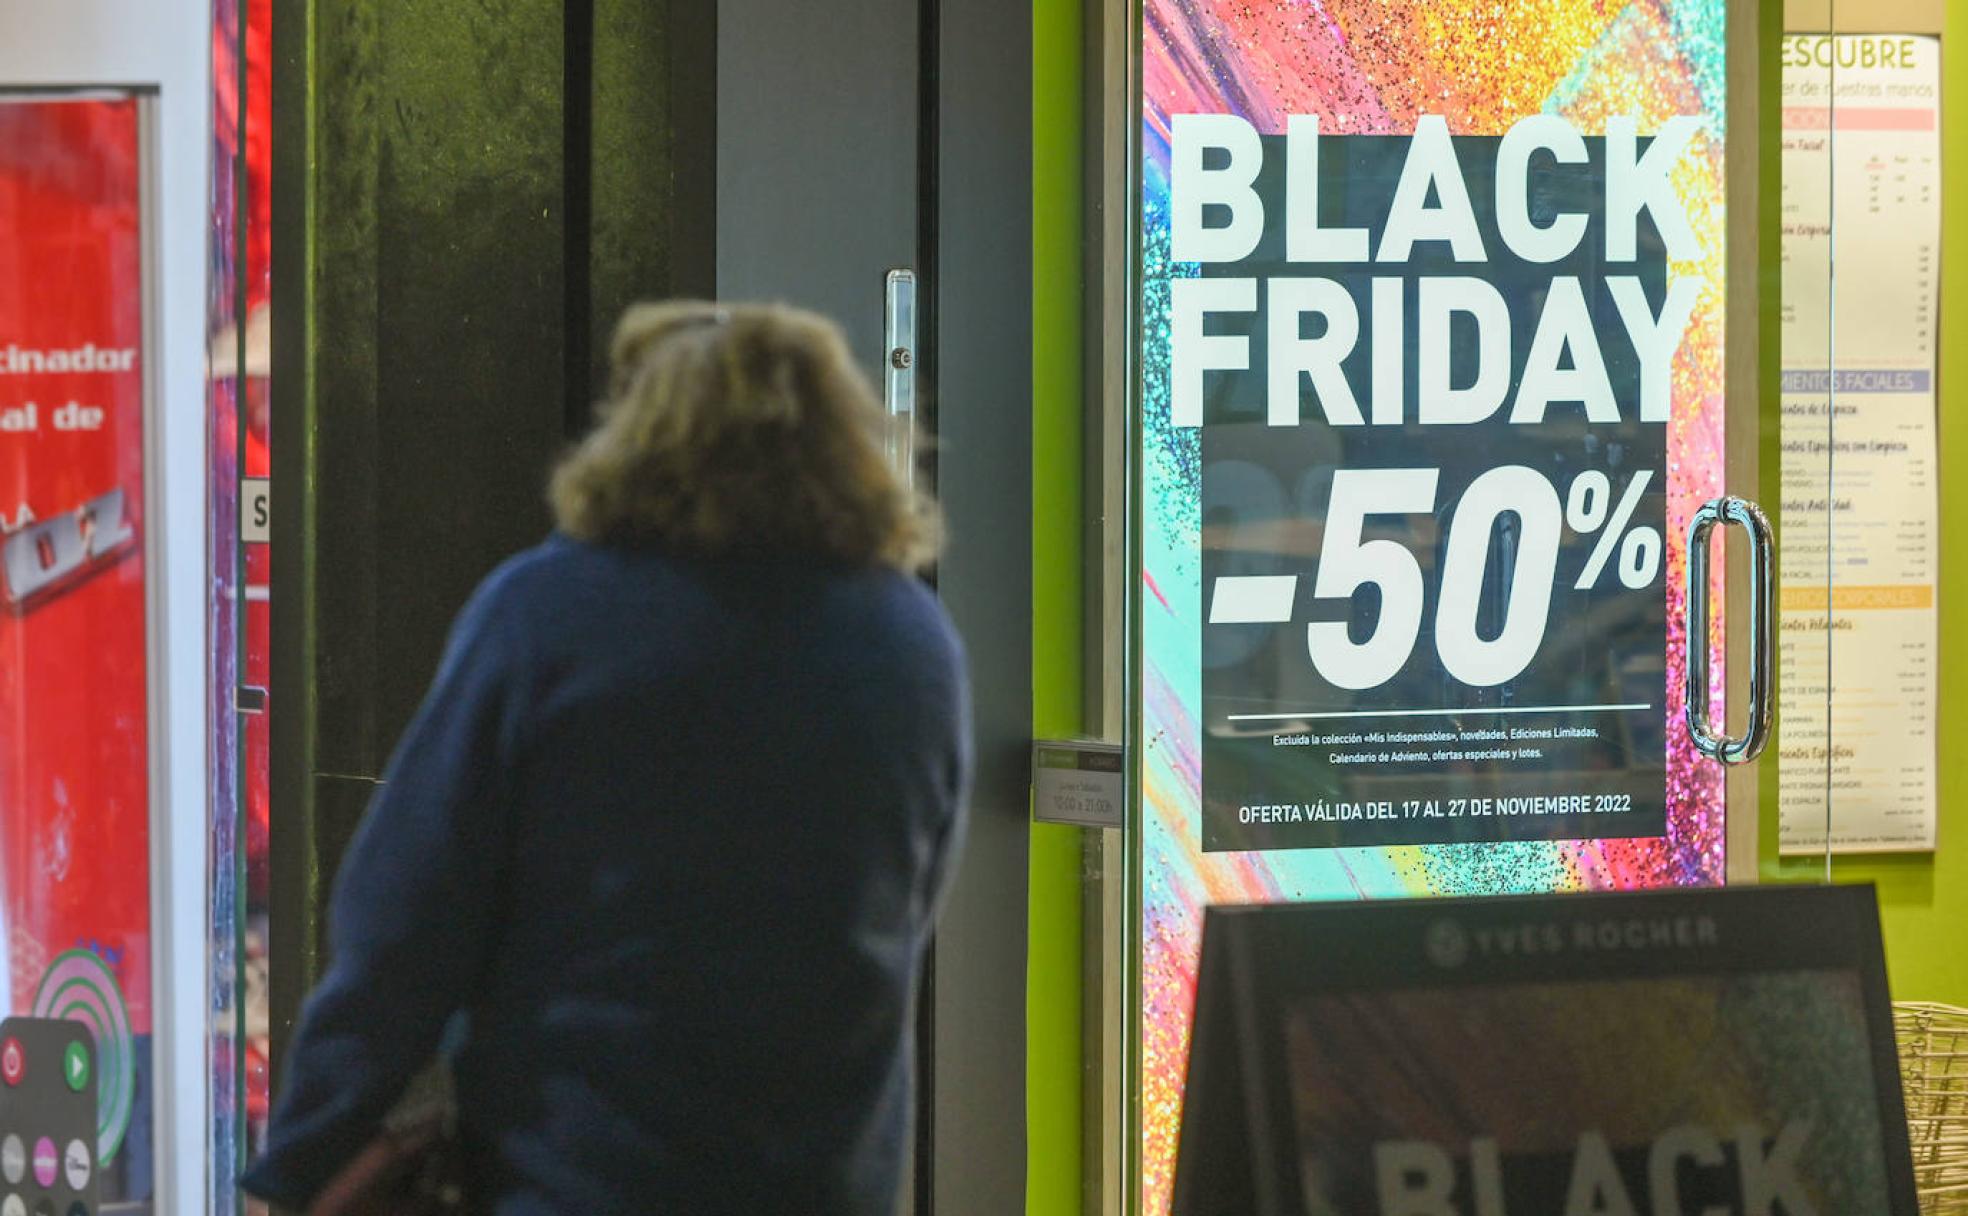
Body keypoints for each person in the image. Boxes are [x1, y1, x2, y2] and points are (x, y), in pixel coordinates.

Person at [242, 301, 972, 1215]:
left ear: (641, 441)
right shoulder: (912, 642)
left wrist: (301, 1162)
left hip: (581, 1181)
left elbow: (402, 931)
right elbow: (905, 906)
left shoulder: (549, 614)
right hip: (825, 1182)